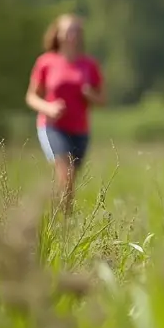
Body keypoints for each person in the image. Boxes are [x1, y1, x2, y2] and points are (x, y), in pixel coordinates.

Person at [25, 14, 106, 215]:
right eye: (69, 30)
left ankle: (59, 216)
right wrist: (48, 108)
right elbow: (31, 97)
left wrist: (90, 95)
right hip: (53, 126)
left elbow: (102, 99)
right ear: (58, 34)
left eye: (77, 31)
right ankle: (63, 222)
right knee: (66, 175)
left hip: (80, 129)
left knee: (69, 182)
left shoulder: (89, 64)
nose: (73, 34)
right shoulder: (46, 62)